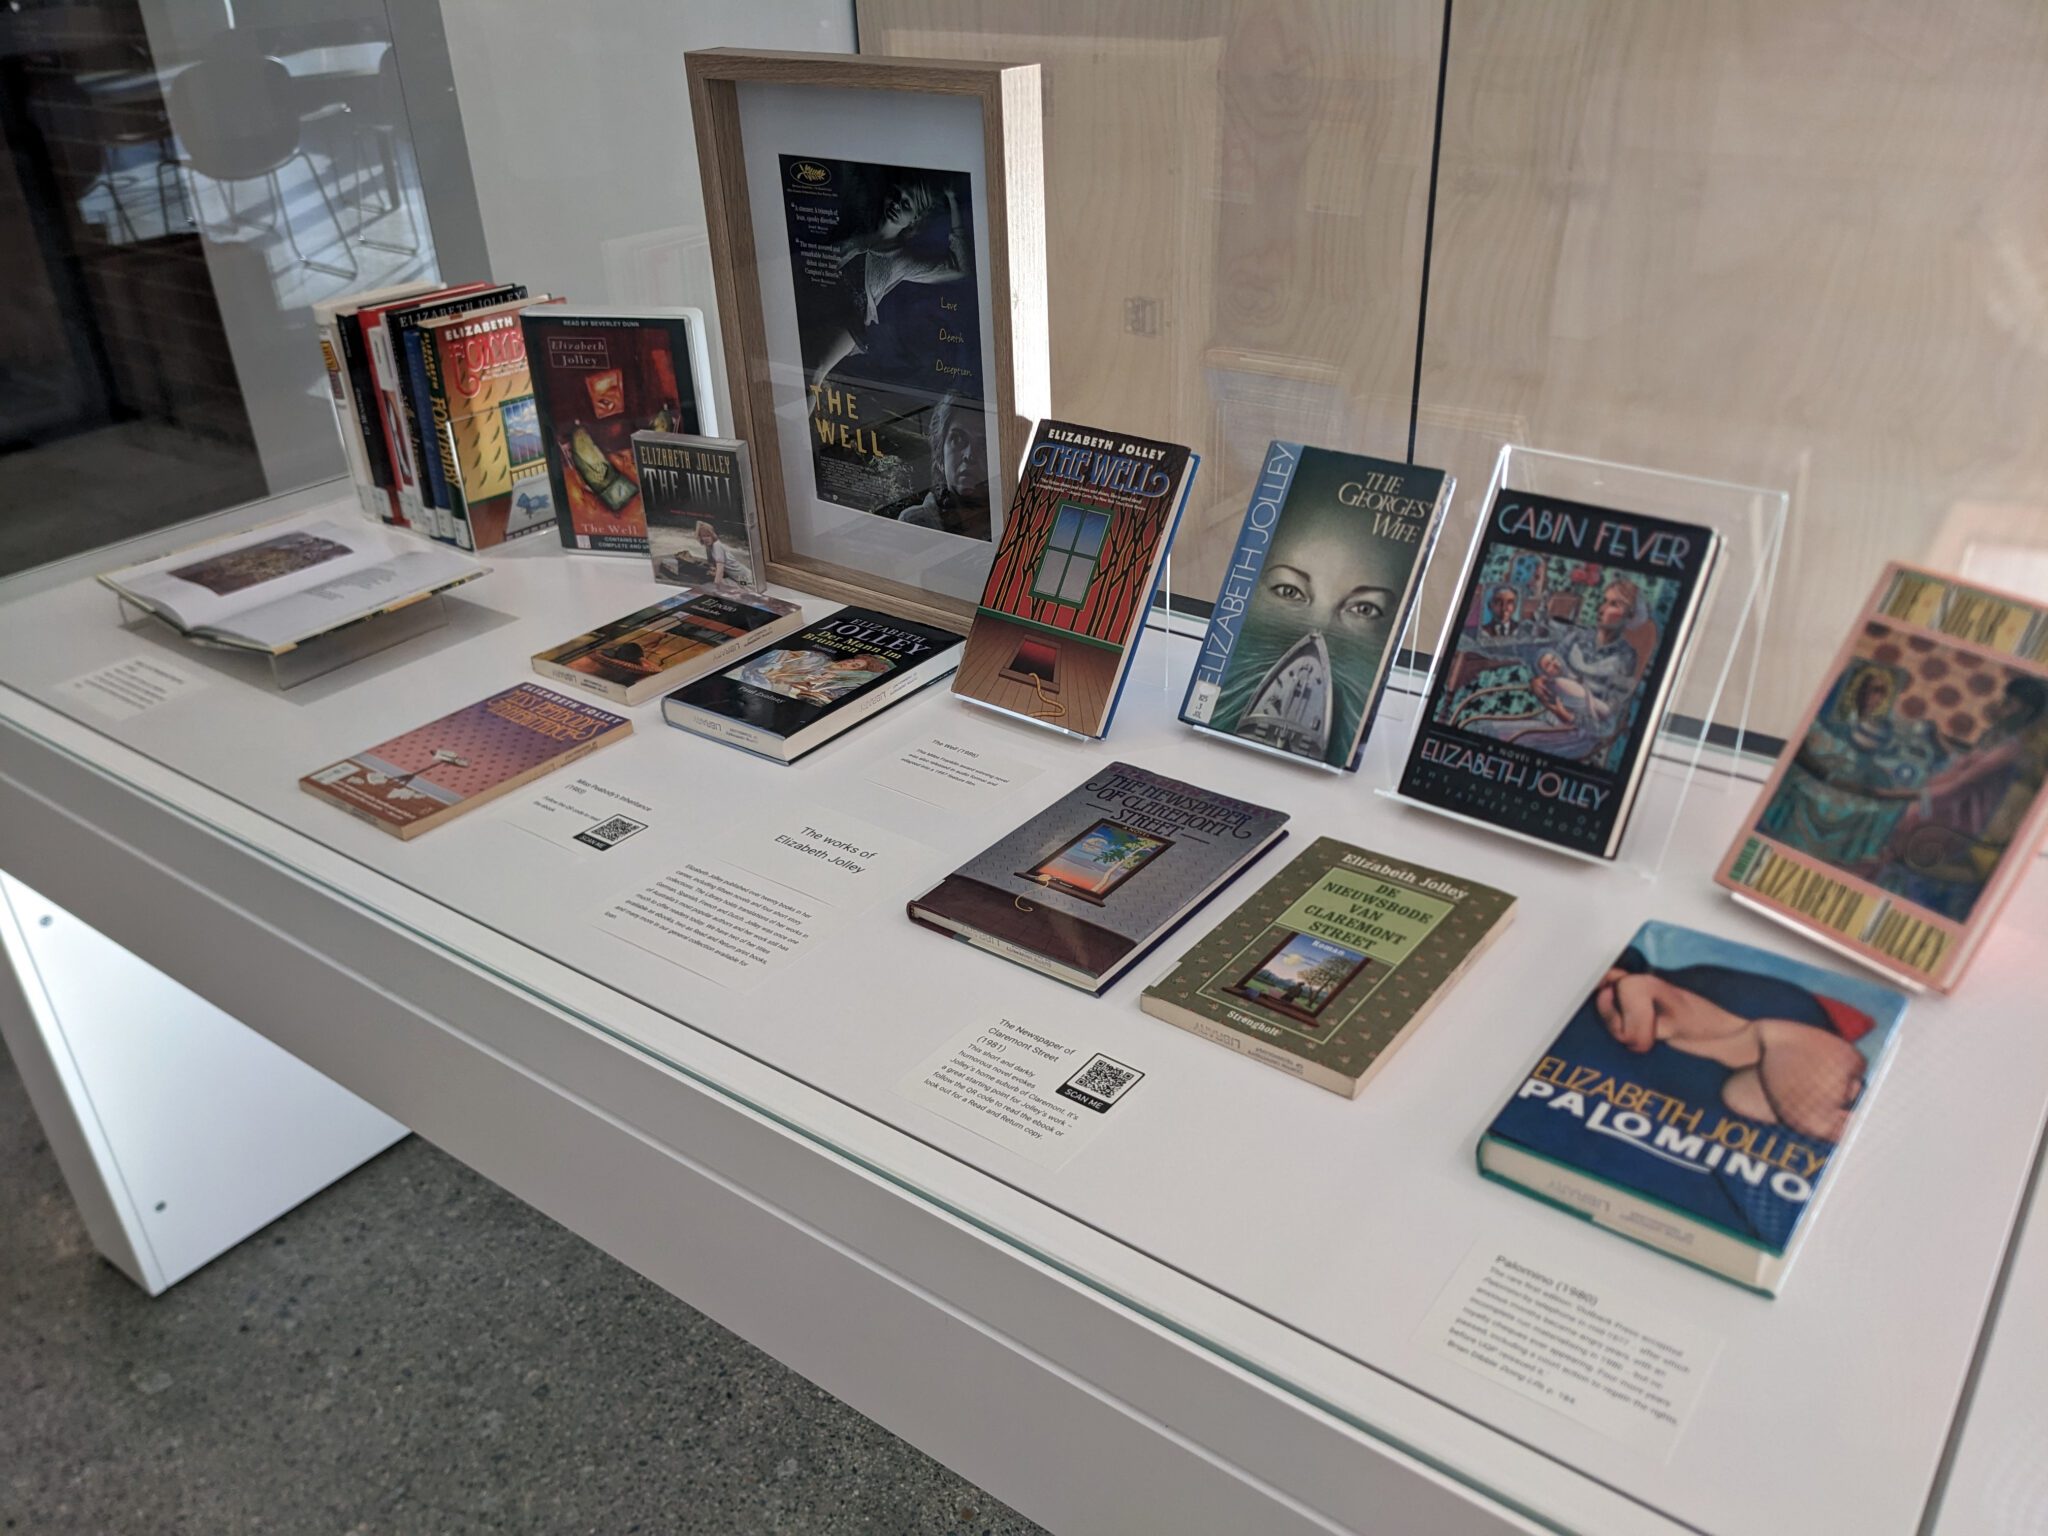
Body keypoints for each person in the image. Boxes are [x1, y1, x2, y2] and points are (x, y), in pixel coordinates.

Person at [805, 179, 971, 397]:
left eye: (906, 205)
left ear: (915, 219)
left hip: (848, 320)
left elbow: (960, 267)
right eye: (897, 194)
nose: (896, 205)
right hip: (816, 302)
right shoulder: (857, 227)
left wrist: (952, 201)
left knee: (814, 373)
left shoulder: (902, 259)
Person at [893, 394, 992, 540]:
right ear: (940, 451)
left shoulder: (1009, 520)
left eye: (984, 444)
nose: (970, 455)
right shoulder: (915, 523)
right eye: (958, 439)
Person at [693, 520, 753, 589]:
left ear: (713, 535)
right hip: (736, 578)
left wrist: (715, 588)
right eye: (704, 536)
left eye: (708, 535)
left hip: (747, 579)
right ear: (700, 537)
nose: (706, 538)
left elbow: (720, 570)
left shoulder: (717, 545)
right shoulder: (709, 547)